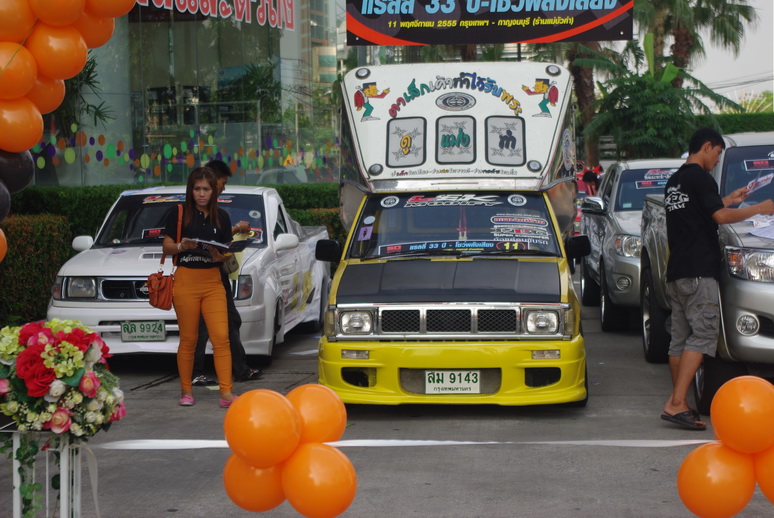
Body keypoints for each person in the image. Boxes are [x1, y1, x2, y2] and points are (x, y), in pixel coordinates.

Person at [661, 127, 774, 430]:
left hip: (678, 272)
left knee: (679, 340)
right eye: (718, 153)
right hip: (699, 272)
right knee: (703, 335)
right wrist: (759, 208)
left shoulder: (675, 181)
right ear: (708, 146)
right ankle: (675, 403)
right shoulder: (701, 177)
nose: (716, 160)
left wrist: (729, 199)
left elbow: (701, 210)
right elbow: (719, 218)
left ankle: (679, 403)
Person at [163, 166, 237, 408]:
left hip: (213, 281)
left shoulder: (222, 216)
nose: (202, 194)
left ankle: (226, 393)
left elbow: (226, 251)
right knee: (189, 339)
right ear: (190, 190)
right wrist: (181, 246)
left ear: (214, 191)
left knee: (221, 337)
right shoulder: (178, 213)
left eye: (206, 189)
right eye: (197, 189)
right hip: (186, 280)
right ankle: (186, 391)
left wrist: (221, 256)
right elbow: (166, 247)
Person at [191, 159, 263, 386]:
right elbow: (202, 238)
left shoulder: (218, 211)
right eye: (222, 183)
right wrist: (235, 230)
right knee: (203, 325)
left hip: (217, 273)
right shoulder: (194, 210)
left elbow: (218, 238)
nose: (223, 188)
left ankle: (239, 369)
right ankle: (195, 372)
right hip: (199, 274)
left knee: (230, 320)